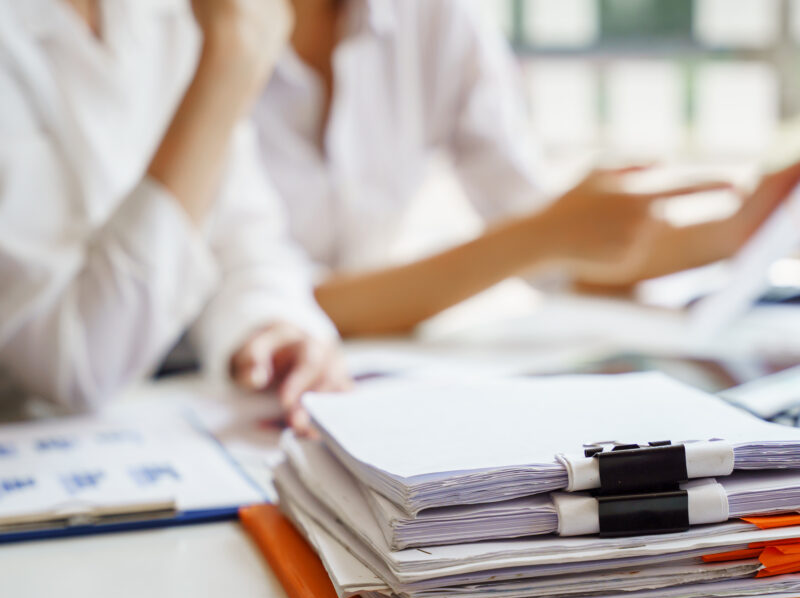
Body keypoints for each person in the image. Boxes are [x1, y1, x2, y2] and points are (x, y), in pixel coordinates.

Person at [254, 0, 800, 336]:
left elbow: (556, 247)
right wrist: (539, 237)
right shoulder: (201, 33)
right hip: (197, 379)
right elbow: (279, 301)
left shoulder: (435, 15)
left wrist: (743, 229)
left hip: (338, 373)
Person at [0, 0, 349, 427]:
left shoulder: (167, 12)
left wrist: (271, 323)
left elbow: (242, 236)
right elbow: (78, 366)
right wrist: (229, 63)